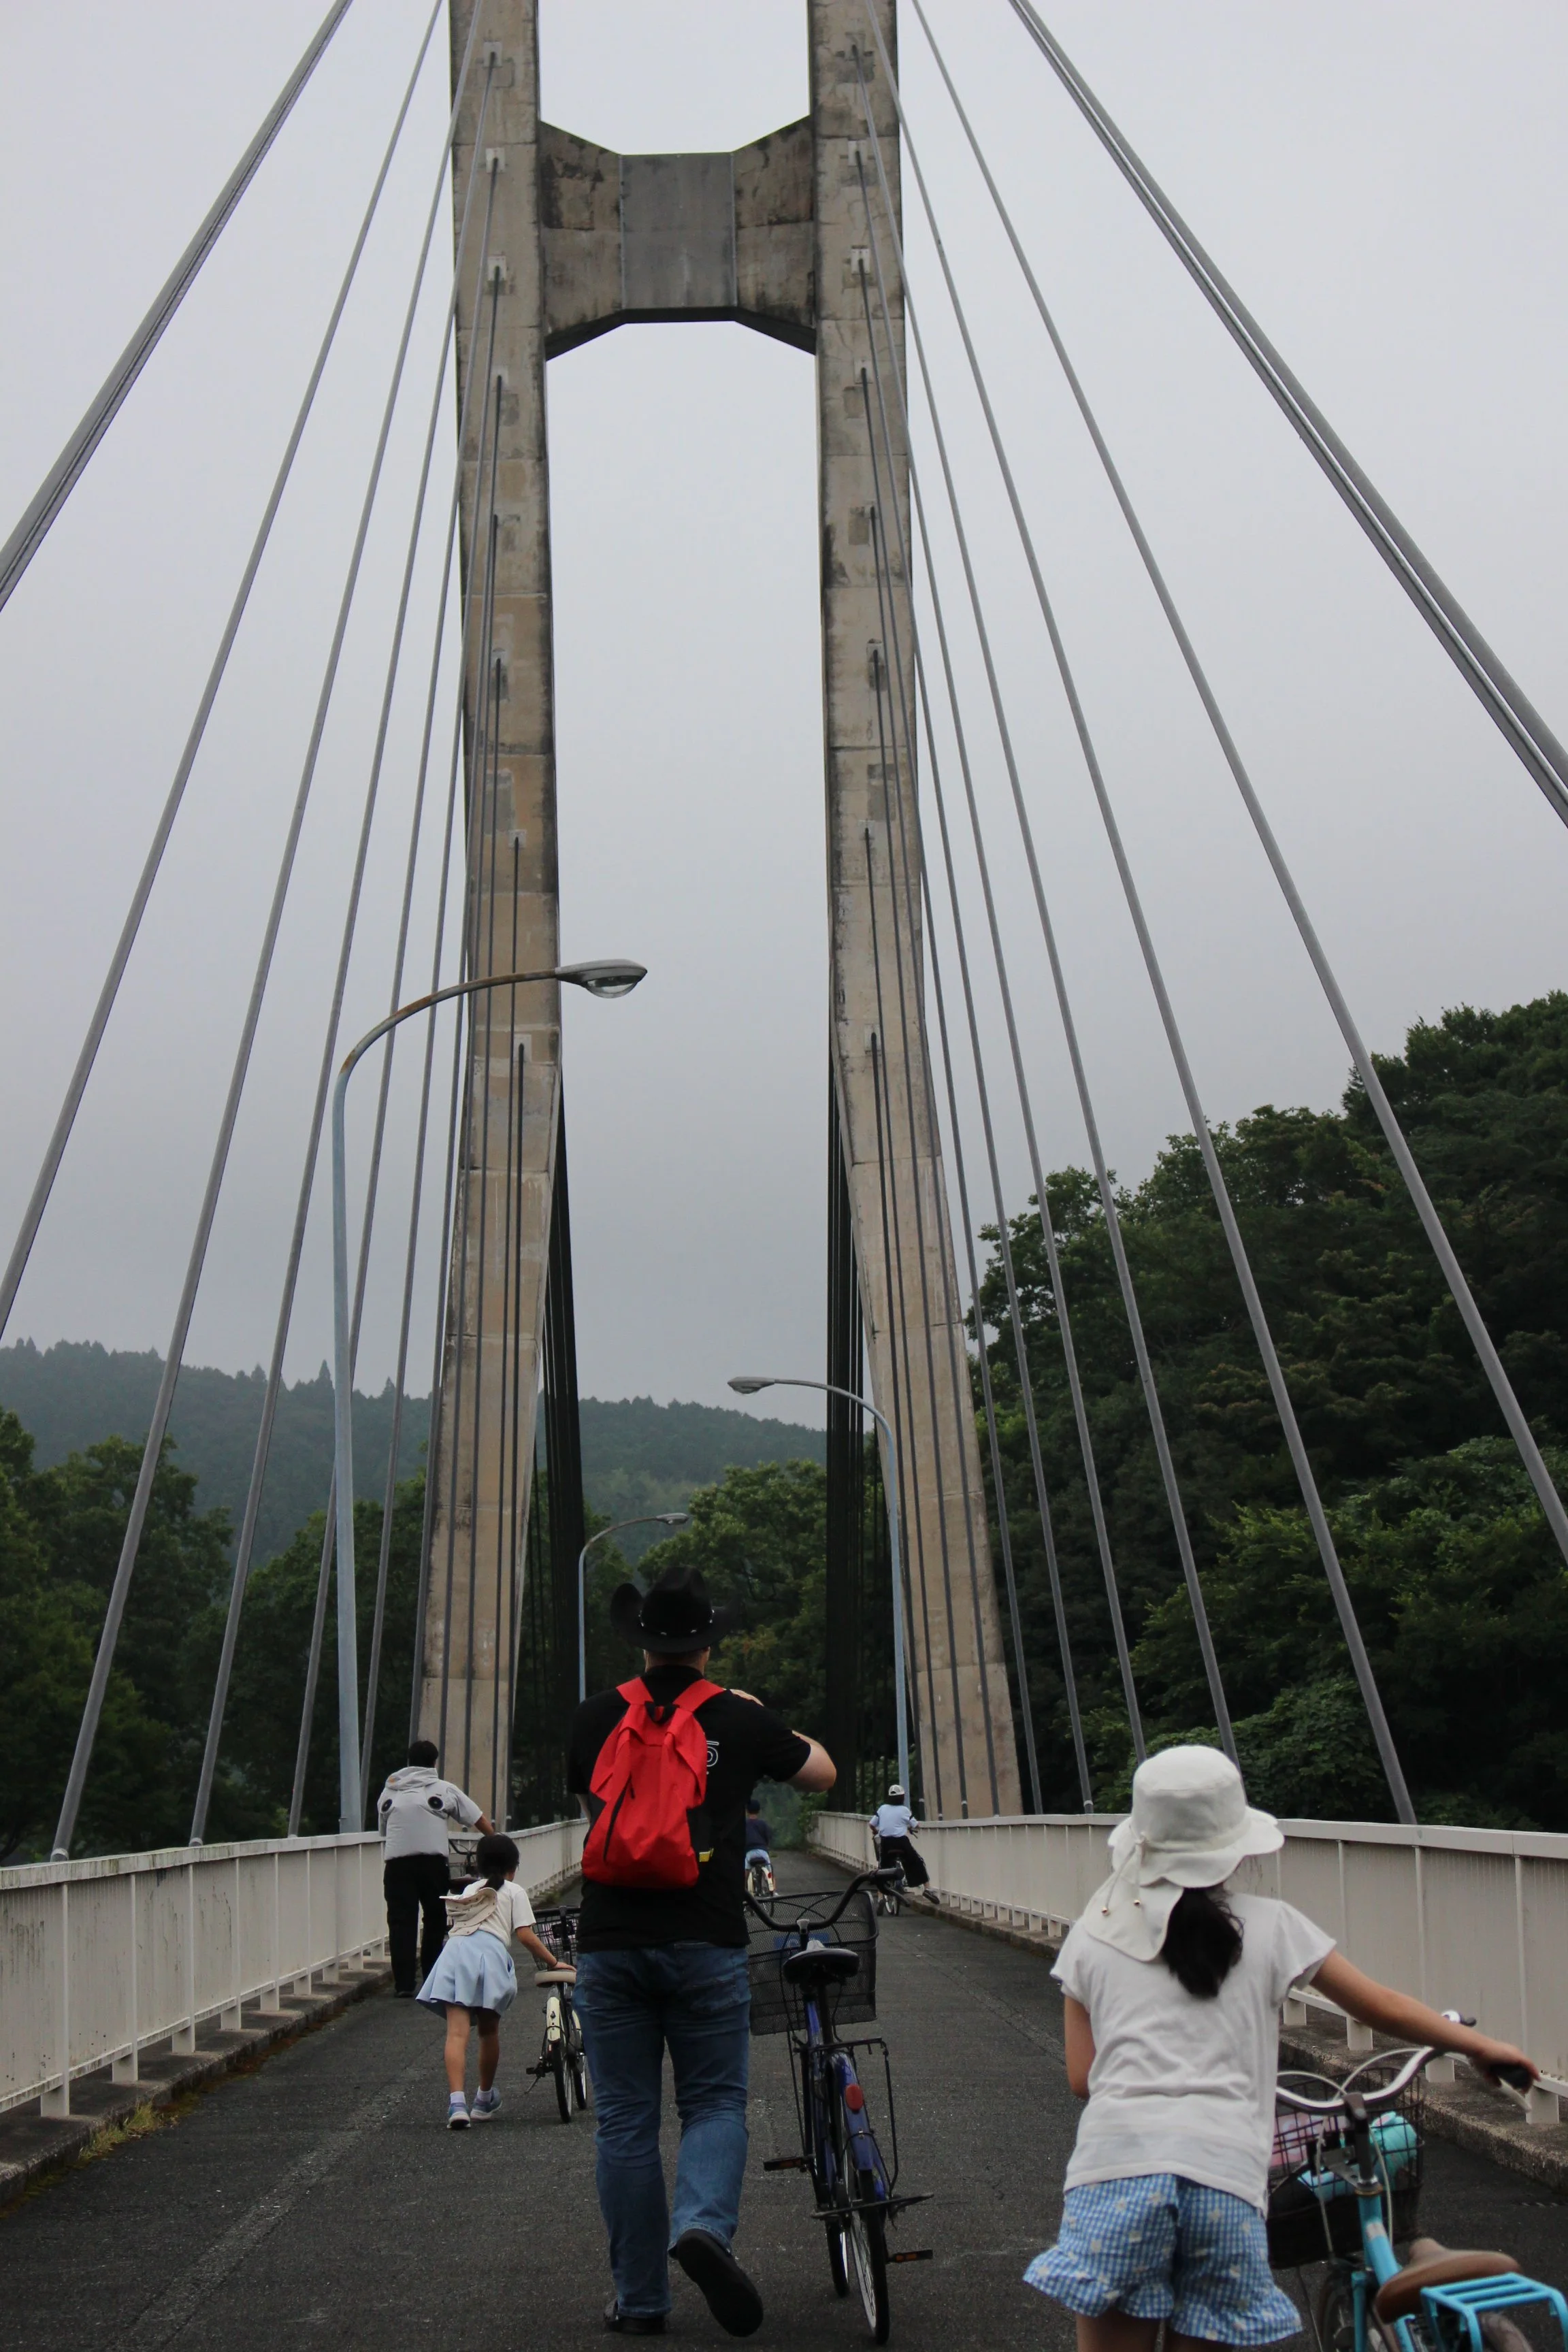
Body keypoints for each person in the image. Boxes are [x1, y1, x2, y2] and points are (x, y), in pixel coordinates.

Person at [1024, 1744, 1536, 2352]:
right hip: (1222, 2180)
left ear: (1140, 1842)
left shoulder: (1092, 1934)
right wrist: (1478, 2044)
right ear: (1235, 1847)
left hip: (1115, 2175)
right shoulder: (1273, 1925)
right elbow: (1380, 2006)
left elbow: (1085, 2078)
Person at [568, 1561, 836, 2338]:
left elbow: (597, 1803)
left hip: (611, 1938)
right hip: (707, 1936)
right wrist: (758, 1720)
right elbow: (821, 1774)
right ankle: (704, 2229)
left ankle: (642, 2299)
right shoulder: (738, 1717)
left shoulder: (593, 1716)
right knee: (715, 2102)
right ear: (709, 1647)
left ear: (641, 1643)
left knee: (623, 2121)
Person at [416, 1829, 563, 2127]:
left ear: (479, 1866)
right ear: (513, 1866)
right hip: (490, 1958)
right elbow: (525, 1935)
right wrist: (554, 1961)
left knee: (457, 2034)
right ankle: (483, 2100)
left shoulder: (469, 1891)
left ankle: (457, 2104)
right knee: (488, 2031)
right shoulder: (514, 1891)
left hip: (455, 1954)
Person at [377, 1738, 494, 1997]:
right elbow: (478, 1818)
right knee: (435, 1919)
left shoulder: (389, 1792)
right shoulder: (443, 1789)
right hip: (432, 1864)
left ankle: (404, 1985)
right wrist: (497, 1841)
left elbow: (384, 1830)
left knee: (400, 1922)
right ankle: (432, 1976)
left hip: (396, 1865)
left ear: (408, 1763)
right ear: (434, 1763)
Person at [869, 1782, 932, 1895]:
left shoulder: (882, 1809)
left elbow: (871, 1824)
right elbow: (915, 1825)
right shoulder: (904, 1810)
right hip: (901, 1843)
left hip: (886, 1843)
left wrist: (875, 1831)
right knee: (916, 1861)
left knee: (882, 1868)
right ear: (902, 1797)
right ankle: (927, 1889)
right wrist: (910, 1826)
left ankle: (880, 1896)